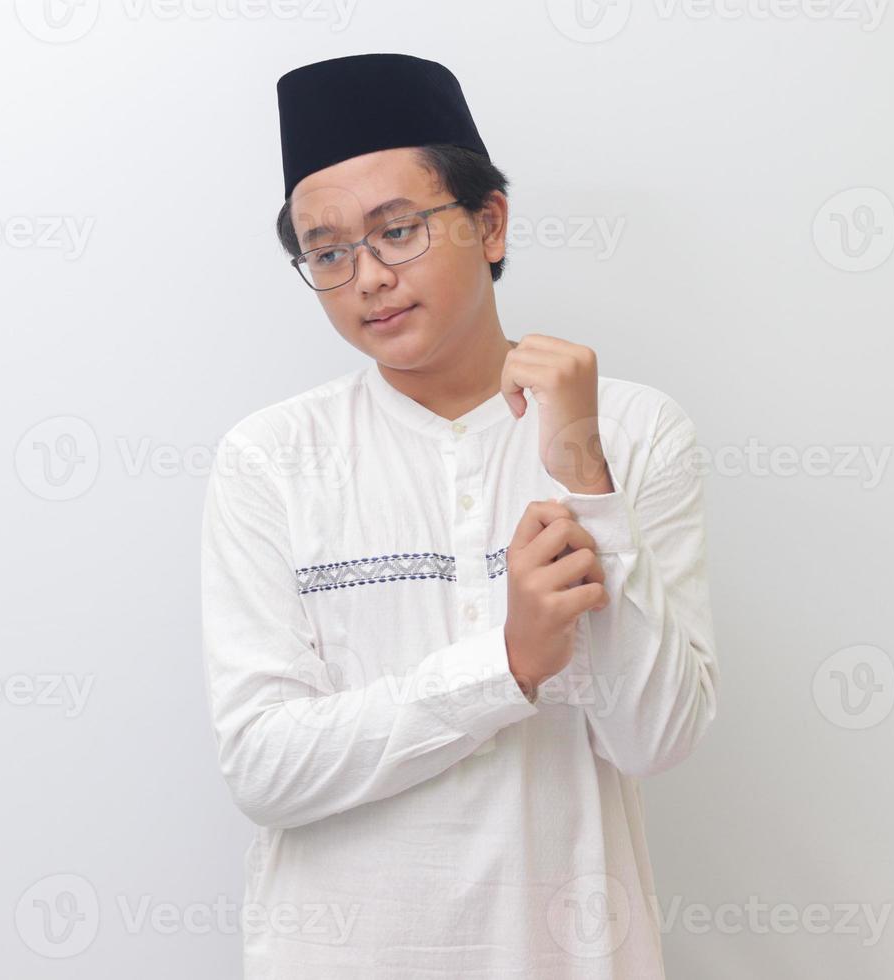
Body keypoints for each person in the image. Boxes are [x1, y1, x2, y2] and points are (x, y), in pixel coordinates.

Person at [199, 51, 720, 980]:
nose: (366, 277)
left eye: (396, 231)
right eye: (326, 251)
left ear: (489, 222)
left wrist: (585, 479)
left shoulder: (635, 431)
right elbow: (264, 767)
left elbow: (658, 739)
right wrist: (507, 666)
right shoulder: (272, 458)